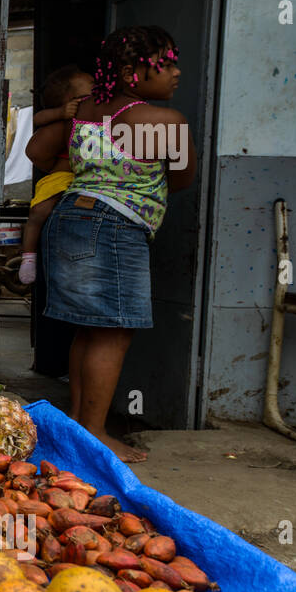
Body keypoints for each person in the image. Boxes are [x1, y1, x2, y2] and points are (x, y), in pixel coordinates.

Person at [26, 26, 197, 463]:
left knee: (90, 328)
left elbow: (37, 149)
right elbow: (181, 179)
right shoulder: (163, 121)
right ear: (128, 73)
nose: (177, 72)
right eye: (166, 64)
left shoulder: (83, 110)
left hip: (69, 216)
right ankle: (96, 432)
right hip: (114, 225)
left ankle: (80, 428)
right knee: (115, 332)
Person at [17, 65, 93, 284]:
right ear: (69, 100)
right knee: (38, 212)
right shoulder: (61, 119)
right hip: (60, 177)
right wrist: (61, 113)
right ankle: (28, 256)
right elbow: (37, 118)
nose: (94, 97)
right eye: (88, 94)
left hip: (82, 181)